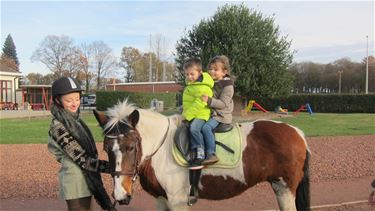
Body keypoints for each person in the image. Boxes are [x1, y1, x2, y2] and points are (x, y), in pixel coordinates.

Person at [48, 77, 115, 211]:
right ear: (57, 100)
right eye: (69, 100)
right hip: (75, 182)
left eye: (77, 99)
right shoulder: (58, 127)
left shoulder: (76, 121)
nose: (74, 103)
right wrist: (112, 167)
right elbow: (83, 160)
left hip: (86, 179)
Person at [201, 55, 234, 165]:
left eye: (215, 69)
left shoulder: (227, 86)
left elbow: (223, 104)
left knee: (206, 128)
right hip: (212, 113)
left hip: (221, 115)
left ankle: (211, 153)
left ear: (224, 72)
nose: (211, 71)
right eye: (210, 69)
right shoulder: (211, 83)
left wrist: (209, 101)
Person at [182, 58, 214, 170]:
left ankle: (200, 152)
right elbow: (188, 102)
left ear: (200, 72)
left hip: (201, 114)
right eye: (187, 74)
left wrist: (186, 115)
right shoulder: (191, 85)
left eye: (192, 74)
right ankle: (189, 151)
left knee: (194, 128)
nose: (189, 77)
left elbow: (199, 103)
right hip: (192, 113)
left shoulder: (204, 87)